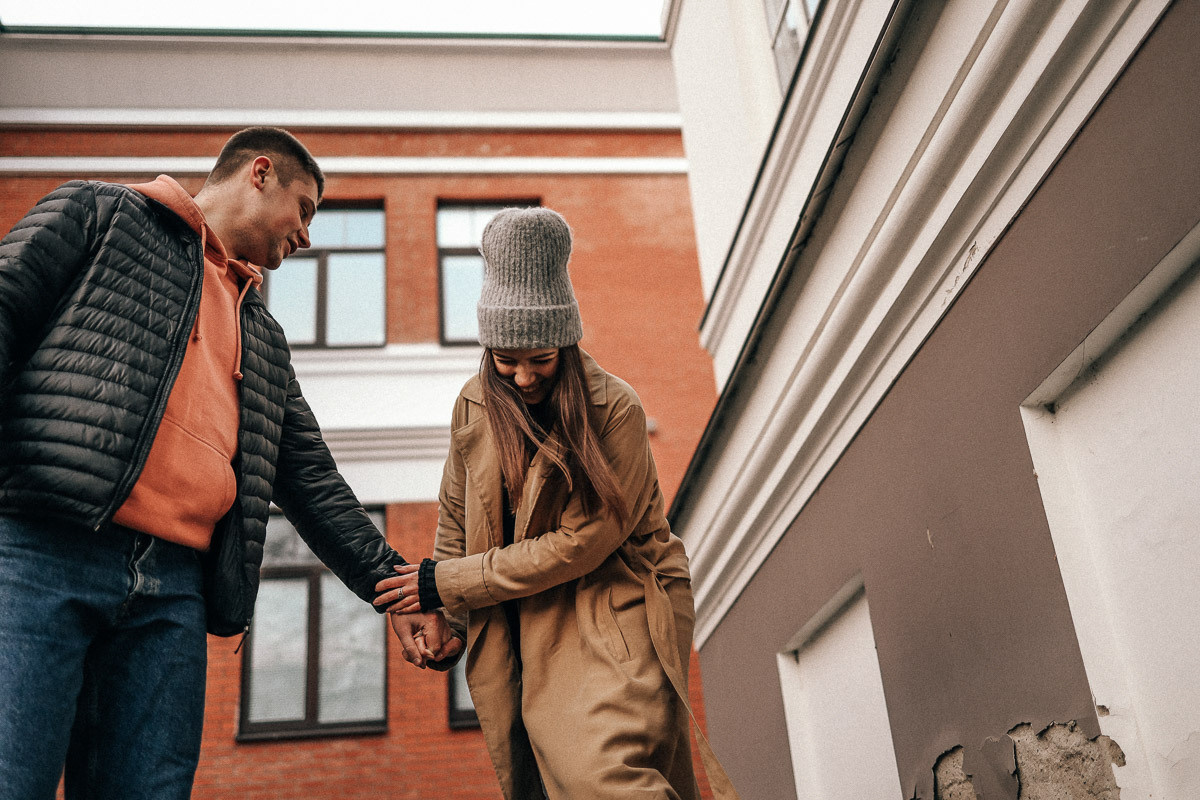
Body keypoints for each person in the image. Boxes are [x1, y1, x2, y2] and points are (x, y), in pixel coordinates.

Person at [0, 127, 457, 800]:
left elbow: (309, 476)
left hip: (172, 593)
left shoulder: (263, 336)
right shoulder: (100, 213)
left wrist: (395, 586)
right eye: (305, 210)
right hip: (43, 552)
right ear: (260, 174)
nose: (307, 237)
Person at [376, 207, 737, 800]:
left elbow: (581, 544)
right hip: (519, 625)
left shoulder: (614, 409)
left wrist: (445, 584)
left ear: (566, 345)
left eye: (540, 358)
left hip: (612, 610)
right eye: (506, 359)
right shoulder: (473, 403)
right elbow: (457, 518)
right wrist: (450, 616)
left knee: (606, 778)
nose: (522, 377)